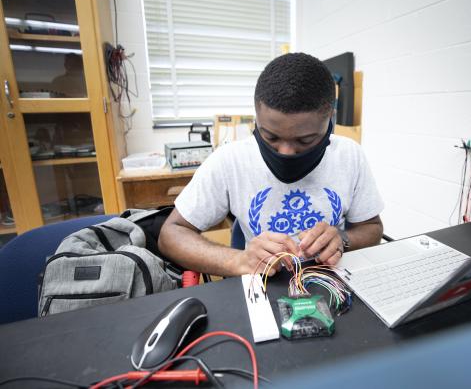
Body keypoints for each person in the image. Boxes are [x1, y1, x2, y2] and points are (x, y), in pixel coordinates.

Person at [159, 53, 384, 276]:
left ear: (329, 119)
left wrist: (342, 239)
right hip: (263, 285)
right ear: (256, 116)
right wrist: (238, 260)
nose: (285, 153)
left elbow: (372, 228)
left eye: (304, 140)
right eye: (271, 137)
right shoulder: (230, 160)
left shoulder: (349, 155)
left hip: (332, 282)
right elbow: (171, 234)